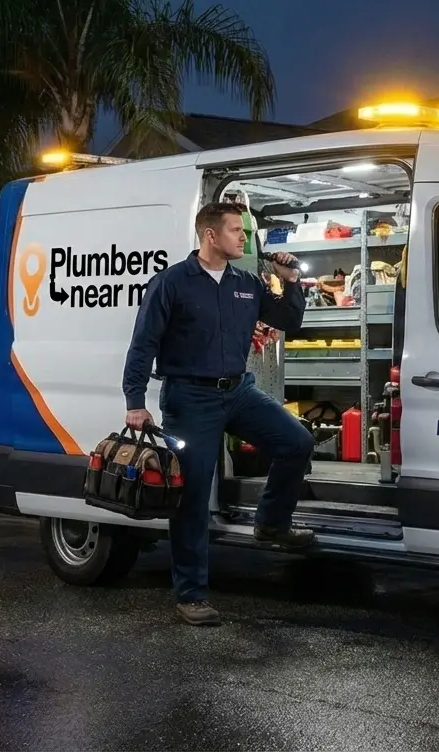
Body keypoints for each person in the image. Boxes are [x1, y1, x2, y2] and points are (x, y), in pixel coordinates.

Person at [122, 201, 316, 627]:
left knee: (296, 442)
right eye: (236, 231)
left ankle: (271, 523)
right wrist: (135, 402)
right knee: (192, 498)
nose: (243, 239)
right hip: (190, 399)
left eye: (243, 232)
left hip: (238, 391)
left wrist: (292, 280)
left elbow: (289, 321)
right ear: (210, 235)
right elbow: (143, 345)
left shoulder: (245, 283)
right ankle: (191, 595)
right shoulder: (172, 283)